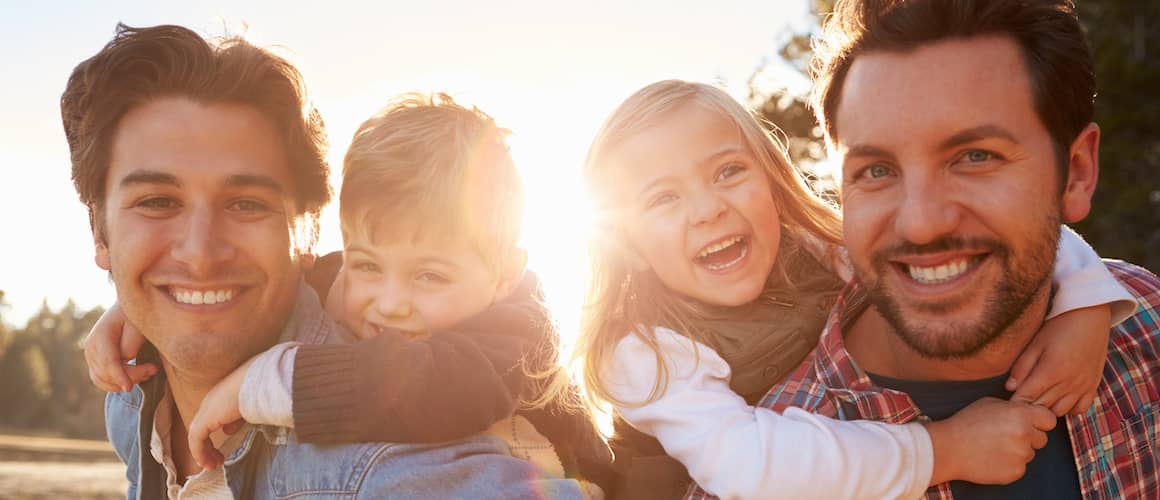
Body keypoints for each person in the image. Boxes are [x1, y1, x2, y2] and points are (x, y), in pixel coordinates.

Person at [63, 23, 594, 499]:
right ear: (99, 231)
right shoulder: (132, 401)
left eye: (247, 204)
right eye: (157, 202)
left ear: (307, 232)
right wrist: (139, 304)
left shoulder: (389, 465)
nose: (200, 255)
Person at [570, 78, 1138, 499]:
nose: (707, 210)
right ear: (630, 246)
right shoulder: (640, 349)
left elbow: (990, 238)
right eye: (663, 199)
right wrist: (946, 449)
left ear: (771, 181)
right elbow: (749, 464)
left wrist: (1084, 306)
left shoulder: (821, 252)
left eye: (727, 173)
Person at [754, 0, 1160, 498]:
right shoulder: (773, 472)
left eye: (975, 157)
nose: (921, 224)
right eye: (876, 171)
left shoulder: (1147, 328)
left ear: (1075, 173)